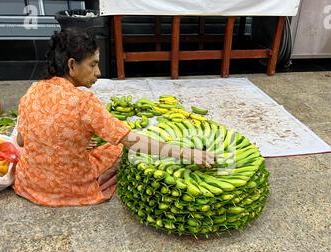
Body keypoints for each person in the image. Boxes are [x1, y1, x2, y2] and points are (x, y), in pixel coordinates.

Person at [14, 29, 214, 207]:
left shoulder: (32, 91)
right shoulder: (84, 101)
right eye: (93, 65)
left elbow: (22, 141)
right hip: (69, 186)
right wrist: (187, 153)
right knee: (118, 149)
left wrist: (71, 141)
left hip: (30, 183)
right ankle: (84, 187)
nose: (98, 73)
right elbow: (131, 141)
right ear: (72, 65)